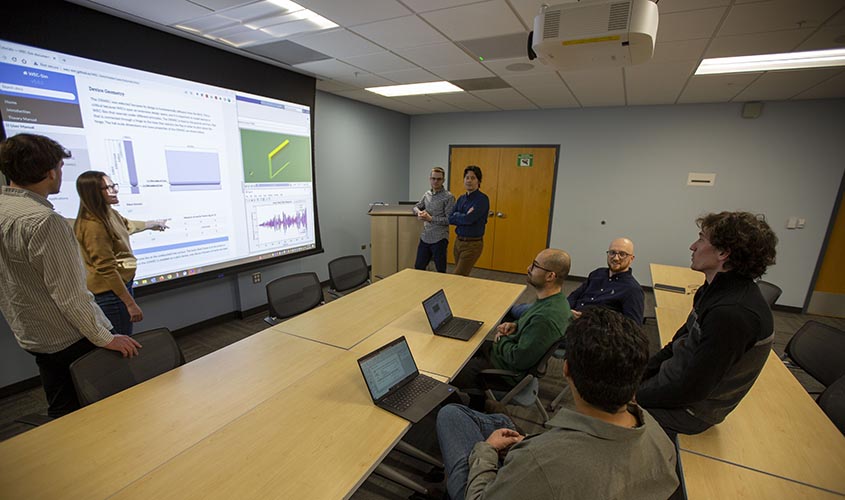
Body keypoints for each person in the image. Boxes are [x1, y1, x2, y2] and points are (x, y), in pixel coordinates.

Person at [436, 308, 679, 500]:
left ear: (566, 369)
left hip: (528, 473)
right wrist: (535, 445)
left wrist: (486, 451)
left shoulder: (539, 461)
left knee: (451, 415)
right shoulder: (660, 439)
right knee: (501, 422)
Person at [0, 134, 141, 418]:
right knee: (109, 410)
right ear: (50, 171)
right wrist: (105, 337)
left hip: (34, 334)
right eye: (61, 167)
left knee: (62, 408)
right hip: (71, 337)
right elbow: (70, 295)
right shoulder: (43, 221)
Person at [637, 211, 778, 437]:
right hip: (675, 385)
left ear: (723, 252)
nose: (693, 246)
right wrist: (640, 374)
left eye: (701, 239)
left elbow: (692, 390)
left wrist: (633, 397)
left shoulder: (732, 314)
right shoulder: (713, 289)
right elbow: (677, 343)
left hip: (689, 412)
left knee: (601, 417)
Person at [452, 248, 572, 403]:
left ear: (550, 276)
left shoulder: (545, 318)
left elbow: (518, 359)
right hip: (505, 354)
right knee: (462, 348)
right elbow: (530, 324)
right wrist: (515, 325)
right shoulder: (554, 300)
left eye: (535, 266)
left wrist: (501, 340)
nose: (528, 268)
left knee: (451, 372)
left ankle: (476, 407)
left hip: (506, 372)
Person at [74, 170, 168, 335]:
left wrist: (152, 224)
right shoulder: (93, 226)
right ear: (94, 193)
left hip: (121, 287)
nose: (115, 190)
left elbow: (127, 225)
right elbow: (106, 269)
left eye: (113, 185)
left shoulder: (108, 213)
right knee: (122, 340)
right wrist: (130, 303)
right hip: (111, 294)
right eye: (108, 188)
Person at [510, 237, 645, 324]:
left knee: (530, 317)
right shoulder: (598, 273)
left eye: (622, 254)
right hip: (566, 314)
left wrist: (591, 320)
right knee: (515, 310)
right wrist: (566, 309)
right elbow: (575, 295)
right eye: (612, 253)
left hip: (588, 330)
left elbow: (633, 327)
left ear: (631, 258)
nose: (616, 258)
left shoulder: (632, 290)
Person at [448, 166, 489, 276]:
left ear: (479, 181)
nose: (469, 180)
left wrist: (459, 216)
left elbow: (469, 219)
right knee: (462, 277)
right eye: (467, 177)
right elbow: (450, 218)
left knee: (458, 276)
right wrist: (461, 216)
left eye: (473, 178)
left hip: (472, 244)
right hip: (458, 242)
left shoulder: (482, 199)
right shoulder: (461, 198)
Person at [413, 166, 455, 273]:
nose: (435, 181)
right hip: (425, 236)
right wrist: (419, 212)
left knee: (440, 271)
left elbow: (450, 220)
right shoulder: (427, 194)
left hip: (440, 238)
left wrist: (430, 218)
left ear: (443, 180)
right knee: (418, 268)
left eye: (439, 179)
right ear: (430, 179)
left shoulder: (448, 197)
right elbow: (416, 206)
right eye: (433, 178)